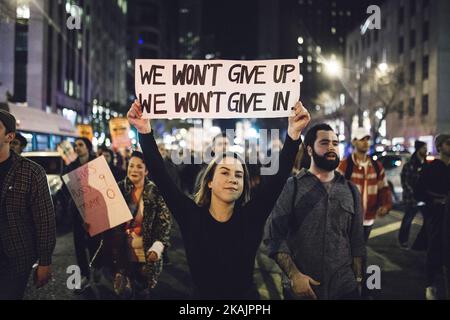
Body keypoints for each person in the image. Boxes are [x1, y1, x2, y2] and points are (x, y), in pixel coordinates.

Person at [127, 99, 310, 299]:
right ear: (210, 182)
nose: (232, 179)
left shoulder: (252, 217)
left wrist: (293, 134)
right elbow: (161, 175)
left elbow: (278, 179)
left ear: (243, 186)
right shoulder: (190, 216)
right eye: (225, 172)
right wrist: (144, 131)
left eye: (238, 175)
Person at [264, 123, 365, 300]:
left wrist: (357, 281)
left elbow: (357, 242)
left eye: (335, 142)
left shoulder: (351, 190)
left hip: (344, 290)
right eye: (324, 143)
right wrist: (294, 276)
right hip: (301, 291)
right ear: (309, 150)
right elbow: (274, 236)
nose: (332, 147)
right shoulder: (292, 187)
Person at [0, 109, 56, 299]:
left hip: (15, 259)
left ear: (10, 136)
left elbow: (45, 220)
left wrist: (45, 261)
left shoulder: (31, 172)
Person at [102, 151, 172, 298]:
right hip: (121, 252)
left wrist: (157, 247)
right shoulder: (116, 189)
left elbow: (164, 222)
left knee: (142, 292)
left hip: (145, 254)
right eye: (131, 165)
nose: (134, 169)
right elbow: (107, 218)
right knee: (124, 294)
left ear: (146, 171)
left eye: (139, 166)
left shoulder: (155, 191)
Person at [338, 127, 392, 242]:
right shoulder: (345, 166)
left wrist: (385, 205)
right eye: (362, 139)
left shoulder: (377, 166)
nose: (366, 142)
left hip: (369, 219)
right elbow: (336, 191)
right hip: (350, 220)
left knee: (361, 250)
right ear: (354, 141)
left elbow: (384, 188)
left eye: (367, 139)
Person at [415, 133, 450, 300]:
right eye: (448, 143)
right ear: (440, 147)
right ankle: (430, 284)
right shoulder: (431, 167)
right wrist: (436, 199)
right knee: (434, 247)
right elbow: (419, 191)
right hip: (436, 215)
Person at [63, 137, 99, 293]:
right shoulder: (70, 167)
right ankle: (85, 275)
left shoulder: (97, 164)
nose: (77, 147)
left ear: (88, 147)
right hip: (78, 213)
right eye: (75, 145)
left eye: (80, 145)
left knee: (95, 243)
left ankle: (97, 267)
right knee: (79, 245)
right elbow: (66, 189)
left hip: (97, 212)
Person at [398, 140, 428, 249]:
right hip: (412, 198)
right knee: (408, 219)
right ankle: (403, 241)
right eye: (424, 148)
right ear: (418, 149)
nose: (426, 150)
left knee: (428, 220)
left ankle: (423, 243)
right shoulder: (410, 165)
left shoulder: (425, 164)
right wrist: (412, 194)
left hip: (424, 198)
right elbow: (405, 182)